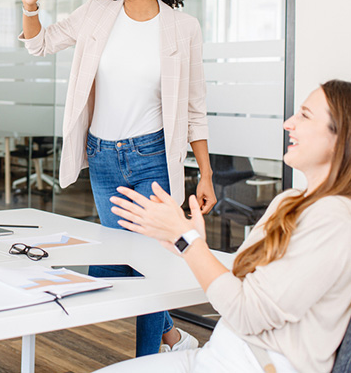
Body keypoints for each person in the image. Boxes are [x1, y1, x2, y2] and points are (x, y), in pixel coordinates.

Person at [19, 0, 216, 356]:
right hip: (104, 158)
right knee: (127, 258)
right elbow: (39, 45)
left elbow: (194, 109)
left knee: (149, 261)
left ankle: (150, 359)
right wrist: (30, 8)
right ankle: (171, 337)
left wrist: (204, 173)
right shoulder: (96, 13)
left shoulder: (182, 28)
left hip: (152, 157)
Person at [96, 79, 351, 373]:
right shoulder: (290, 201)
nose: (288, 123)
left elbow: (247, 313)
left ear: (341, 137)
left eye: (305, 115)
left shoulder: (335, 220)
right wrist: (188, 245)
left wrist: (188, 242)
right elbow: (238, 284)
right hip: (219, 354)